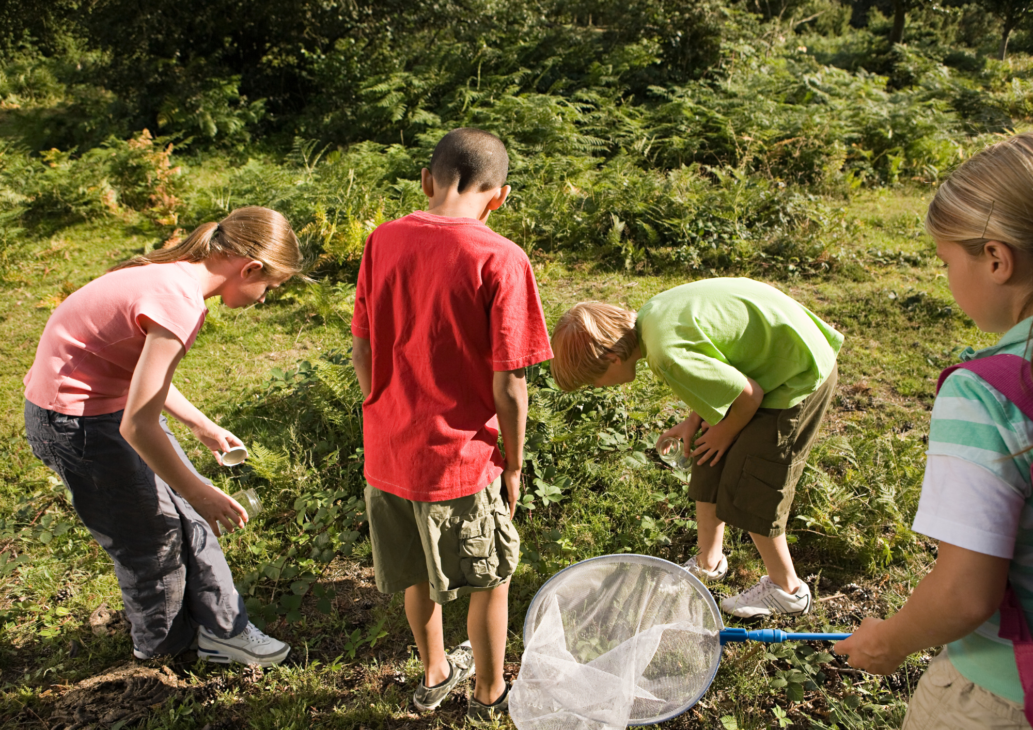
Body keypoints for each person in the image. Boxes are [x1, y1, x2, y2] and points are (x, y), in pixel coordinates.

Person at [23, 206, 301, 666]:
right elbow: (138, 424)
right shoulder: (180, 302)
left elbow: (137, 373)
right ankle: (162, 657)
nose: (265, 298)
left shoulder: (169, 274)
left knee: (187, 514)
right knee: (151, 544)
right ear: (249, 268)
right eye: (269, 287)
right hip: (78, 425)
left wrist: (201, 425)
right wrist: (199, 490)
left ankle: (222, 630)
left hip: (104, 407)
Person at [351, 128, 552, 723]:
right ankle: (490, 693)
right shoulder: (501, 257)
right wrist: (513, 463)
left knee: (417, 570)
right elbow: (509, 383)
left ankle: (435, 670)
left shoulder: (383, 239)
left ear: (426, 181)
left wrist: (383, 406)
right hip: (460, 457)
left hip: (389, 447)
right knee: (491, 578)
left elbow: (362, 346)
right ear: (501, 197)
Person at [836, 133, 1033, 729]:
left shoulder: (990, 391)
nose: (948, 278)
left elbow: (964, 594)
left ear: (997, 259)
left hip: (1004, 690)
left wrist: (890, 640)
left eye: (948, 262)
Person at [550, 279, 843, 617]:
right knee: (707, 454)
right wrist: (694, 422)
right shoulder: (651, 318)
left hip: (798, 374)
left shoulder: (666, 356)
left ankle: (787, 590)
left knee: (754, 482)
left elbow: (749, 396)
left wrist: (726, 432)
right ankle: (709, 560)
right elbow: (720, 367)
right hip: (772, 360)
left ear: (614, 358)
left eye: (593, 381)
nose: (597, 388)